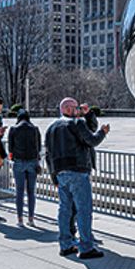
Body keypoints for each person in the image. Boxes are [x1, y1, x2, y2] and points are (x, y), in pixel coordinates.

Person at [45, 97, 108, 259]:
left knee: (64, 209)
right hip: (78, 171)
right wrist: (103, 132)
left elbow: (48, 155)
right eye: (75, 107)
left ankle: (65, 245)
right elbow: (92, 140)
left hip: (60, 172)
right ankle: (86, 247)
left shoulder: (51, 128)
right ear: (67, 108)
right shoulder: (76, 123)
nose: (78, 110)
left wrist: (54, 177)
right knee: (83, 209)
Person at [7, 109, 41, 226]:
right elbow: (39, 147)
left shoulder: (14, 129)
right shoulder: (35, 130)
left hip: (19, 161)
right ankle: (31, 218)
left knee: (19, 191)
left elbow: (10, 148)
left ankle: (20, 219)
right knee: (31, 192)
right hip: (32, 161)